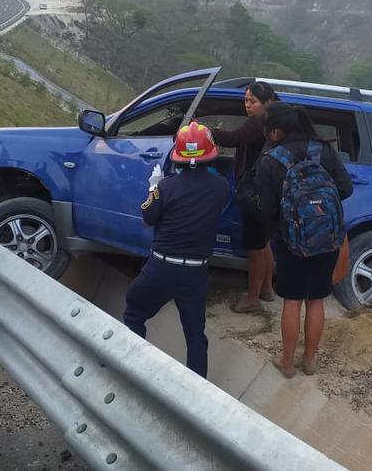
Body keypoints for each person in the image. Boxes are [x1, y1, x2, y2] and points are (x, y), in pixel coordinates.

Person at [123, 121, 230, 378]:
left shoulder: (166, 187)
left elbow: (149, 217)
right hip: (195, 272)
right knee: (195, 335)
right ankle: (196, 389)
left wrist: (154, 187)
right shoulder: (222, 187)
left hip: (161, 267)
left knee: (134, 315)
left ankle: (130, 369)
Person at [253, 102, 353, 378]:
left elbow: (265, 209)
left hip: (290, 241)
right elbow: (345, 188)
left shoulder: (271, 160)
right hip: (327, 239)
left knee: (292, 301)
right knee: (317, 300)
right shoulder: (323, 151)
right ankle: (309, 361)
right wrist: (318, 210)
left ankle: (286, 362)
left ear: (276, 131)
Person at [211, 81, 278, 314]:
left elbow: (234, 138)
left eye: (252, 101)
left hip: (256, 192)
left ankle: (252, 299)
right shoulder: (274, 118)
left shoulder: (259, 121)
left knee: (255, 248)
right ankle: (267, 289)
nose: (247, 105)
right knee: (264, 242)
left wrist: (205, 131)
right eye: (246, 100)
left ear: (267, 102)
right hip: (269, 192)